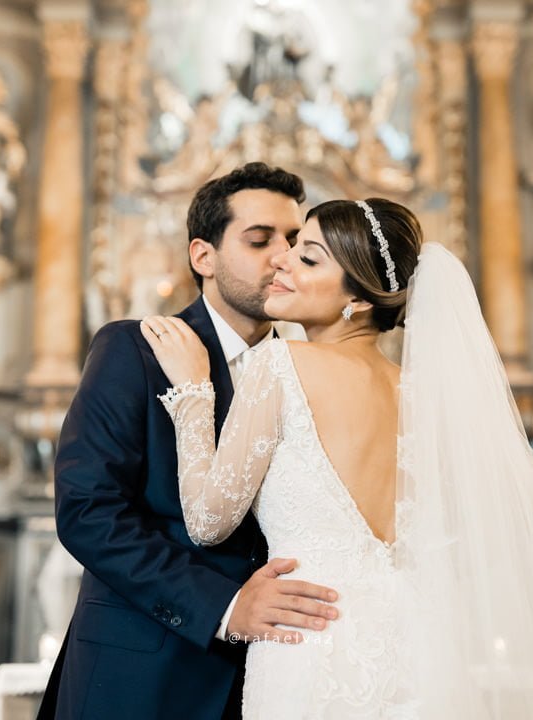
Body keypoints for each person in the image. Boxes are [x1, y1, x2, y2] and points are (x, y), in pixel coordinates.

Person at [142, 198, 533, 718]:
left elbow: (208, 521)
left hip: (315, 646)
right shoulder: (426, 399)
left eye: (307, 257)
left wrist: (194, 393)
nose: (281, 260)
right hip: (427, 651)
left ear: (358, 299)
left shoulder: (279, 365)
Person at [38, 163, 339, 720]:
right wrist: (226, 605)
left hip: (276, 672)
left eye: (295, 241)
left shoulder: (313, 371)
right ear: (204, 256)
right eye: (260, 240)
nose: (283, 257)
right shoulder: (134, 349)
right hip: (144, 671)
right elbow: (88, 512)